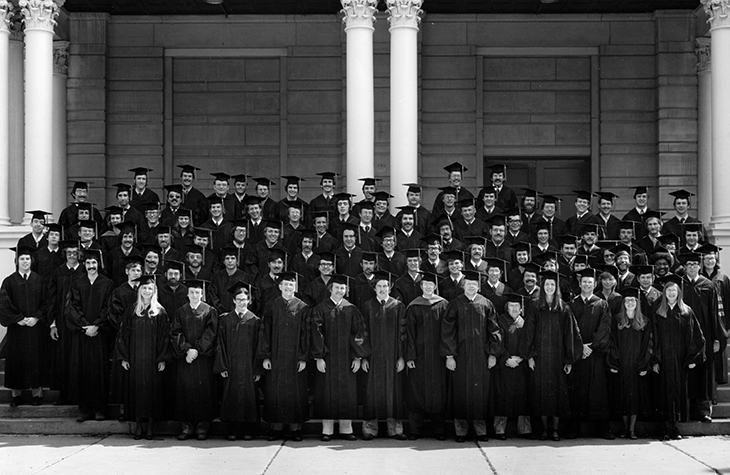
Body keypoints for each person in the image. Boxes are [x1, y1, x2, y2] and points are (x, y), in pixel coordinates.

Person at [441, 270, 502, 442]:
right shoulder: (455, 304)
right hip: (460, 356)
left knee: (480, 393)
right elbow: (447, 331)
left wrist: (493, 354)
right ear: (464, 285)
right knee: (460, 391)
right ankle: (460, 430)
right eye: (468, 284)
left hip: (481, 356)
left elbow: (494, 330)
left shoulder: (486, 304)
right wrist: (449, 355)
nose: (471, 287)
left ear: (479, 286)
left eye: (474, 284)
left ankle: (480, 430)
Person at [310, 274, 368, 441]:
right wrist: (319, 357)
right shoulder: (321, 309)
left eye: (342, 288)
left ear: (346, 290)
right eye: (337, 287)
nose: (339, 290)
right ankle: (327, 430)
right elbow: (316, 333)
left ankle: (346, 429)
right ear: (331, 289)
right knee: (326, 393)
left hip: (346, 359)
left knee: (346, 393)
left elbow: (358, 334)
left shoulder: (351, 309)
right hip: (327, 359)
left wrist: (357, 357)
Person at [525, 270, 582, 441]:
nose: (549, 287)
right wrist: (530, 356)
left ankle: (555, 429)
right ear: (542, 286)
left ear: (556, 287)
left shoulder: (564, 308)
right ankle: (544, 429)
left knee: (557, 394)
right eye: (547, 284)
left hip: (558, 358)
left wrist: (569, 359)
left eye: (552, 284)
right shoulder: (535, 306)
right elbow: (529, 332)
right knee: (542, 394)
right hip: (540, 357)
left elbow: (570, 334)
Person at [257, 272, 310, 442]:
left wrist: (303, 357)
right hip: (276, 358)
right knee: (275, 391)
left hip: (295, 359)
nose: (288, 288)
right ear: (280, 286)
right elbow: (265, 332)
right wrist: (266, 357)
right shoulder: (272, 306)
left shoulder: (303, 307)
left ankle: (295, 429)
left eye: (291, 285)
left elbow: (306, 335)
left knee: (296, 392)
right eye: (285, 285)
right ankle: (276, 428)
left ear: (295, 287)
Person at [651, 275, 705, 440]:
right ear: (664, 293)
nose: (671, 293)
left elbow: (697, 336)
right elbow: (653, 337)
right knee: (663, 393)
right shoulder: (658, 311)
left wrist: (692, 359)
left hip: (680, 360)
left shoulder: (686, 311)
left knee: (678, 392)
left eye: (674, 290)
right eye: (668, 290)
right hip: (663, 359)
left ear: (679, 292)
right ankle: (664, 428)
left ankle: (675, 427)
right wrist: (655, 359)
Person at [116, 275, 170, 440]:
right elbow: (123, 334)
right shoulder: (132, 310)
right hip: (136, 358)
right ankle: (139, 425)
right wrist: (124, 357)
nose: (147, 291)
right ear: (139, 290)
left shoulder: (160, 311)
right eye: (144, 288)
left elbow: (165, 337)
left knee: (152, 391)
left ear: (154, 291)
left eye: (150, 288)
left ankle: (150, 426)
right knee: (137, 390)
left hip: (153, 359)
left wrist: (162, 358)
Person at [66, 249, 115, 421]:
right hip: (83, 333)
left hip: (100, 334)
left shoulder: (107, 283)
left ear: (98, 264)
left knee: (100, 371)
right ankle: (85, 409)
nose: (91, 266)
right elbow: (72, 307)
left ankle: (100, 409)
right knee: (83, 370)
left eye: (94, 263)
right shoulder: (77, 283)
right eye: (88, 263)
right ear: (84, 265)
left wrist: (97, 325)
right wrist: (84, 325)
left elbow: (109, 307)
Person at [679, 252, 726, 422]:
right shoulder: (680, 284)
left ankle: (704, 411)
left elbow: (715, 313)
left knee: (704, 373)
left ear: (699, 266)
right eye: (689, 264)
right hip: (684, 335)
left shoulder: (708, 285)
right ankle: (685, 411)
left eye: (695, 264)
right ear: (685, 267)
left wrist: (716, 338)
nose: (692, 267)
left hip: (705, 335)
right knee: (686, 372)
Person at [566, 267, 614, 439]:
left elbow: (604, 328)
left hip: (595, 354)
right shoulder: (571, 304)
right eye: (584, 282)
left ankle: (602, 429)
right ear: (580, 284)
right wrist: (581, 347)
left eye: (590, 282)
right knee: (576, 390)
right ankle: (574, 428)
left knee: (598, 391)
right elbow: (569, 329)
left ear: (594, 285)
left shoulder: (601, 304)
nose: (587, 285)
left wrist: (591, 346)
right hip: (578, 354)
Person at [361, 271, 408, 441]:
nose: (382, 289)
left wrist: (401, 357)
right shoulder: (367, 306)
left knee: (394, 392)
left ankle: (395, 428)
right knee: (371, 392)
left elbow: (403, 334)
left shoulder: (398, 306)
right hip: (373, 357)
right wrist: (363, 357)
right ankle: (370, 429)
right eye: (379, 286)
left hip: (393, 356)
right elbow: (363, 332)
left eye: (385, 286)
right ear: (374, 288)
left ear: (390, 287)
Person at [0, 246, 49, 407]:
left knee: (36, 359)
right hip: (17, 328)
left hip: (35, 328)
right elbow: (4, 303)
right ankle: (16, 396)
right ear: (17, 261)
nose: (25, 261)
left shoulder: (40, 280)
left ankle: (37, 394)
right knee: (16, 360)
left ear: (31, 261)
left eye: (27, 258)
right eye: (22, 259)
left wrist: (36, 317)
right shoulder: (9, 281)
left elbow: (46, 302)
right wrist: (18, 319)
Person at [171, 279, 219, 440]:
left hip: (203, 358)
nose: (194, 295)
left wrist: (197, 349)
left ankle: (202, 428)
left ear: (202, 293)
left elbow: (211, 333)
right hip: (186, 358)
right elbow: (175, 332)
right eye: (191, 292)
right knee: (185, 391)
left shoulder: (209, 311)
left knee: (203, 392)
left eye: (197, 292)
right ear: (187, 294)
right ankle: (186, 427)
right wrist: (186, 349)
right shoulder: (180, 311)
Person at [214, 282, 262, 441]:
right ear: (234, 300)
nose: (242, 302)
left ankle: (249, 430)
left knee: (249, 396)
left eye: (245, 299)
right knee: (231, 396)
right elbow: (220, 344)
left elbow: (259, 347)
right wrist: (222, 366)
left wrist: (257, 369)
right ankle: (232, 430)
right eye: (239, 299)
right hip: (231, 366)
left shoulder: (255, 320)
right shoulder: (225, 320)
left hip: (249, 367)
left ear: (249, 300)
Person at [404, 272, 448, 440]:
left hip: (438, 357)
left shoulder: (443, 304)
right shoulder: (414, 306)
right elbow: (409, 333)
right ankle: (414, 430)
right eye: (425, 285)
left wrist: (447, 354)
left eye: (431, 285)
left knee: (438, 393)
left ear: (435, 286)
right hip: (420, 357)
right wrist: (410, 356)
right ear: (421, 286)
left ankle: (439, 429)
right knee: (417, 392)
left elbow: (448, 331)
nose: (428, 287)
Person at [607, 286, 653, 439]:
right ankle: (625, 429)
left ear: (637, 302)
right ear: (623, 303)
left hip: (637, 365)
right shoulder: (617, 320)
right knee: (623, 396)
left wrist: (644, 364)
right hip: (622, 365)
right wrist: (613, 362)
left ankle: (632, 430)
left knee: (634, 398)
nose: (630, 303)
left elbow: (648, 345)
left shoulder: (644, 321)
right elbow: (612, 342)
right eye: (627, 301)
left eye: (633, 300)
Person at [47, 240, 85, 404]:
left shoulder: (85, 271)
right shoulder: (57, 272)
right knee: (63, 358)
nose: (72, 256)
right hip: (62, 323)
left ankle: (79, 395)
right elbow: (51, 300)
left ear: (79, 255)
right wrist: (53, 324)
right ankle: (64, 395)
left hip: (79, 322)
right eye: (69, 253)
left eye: (75, 253)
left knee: (79, 358)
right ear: (65, 254)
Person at [493, 293, 533, 440]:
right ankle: (499, 429)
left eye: (517, 306)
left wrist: (521, 358)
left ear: (521, 308)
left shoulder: (525, 322)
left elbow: (530, 341)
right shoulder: (500, 320)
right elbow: (497, 342)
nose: (514, 308)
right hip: (504, 365)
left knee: (523, 397)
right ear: (507, 307)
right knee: (502, 396)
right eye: (511, 306)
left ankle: (525, 429)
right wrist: (506, 358)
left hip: (521, 365)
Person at [699, 243, 730, 386]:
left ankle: (716, 385)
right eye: (706, 258)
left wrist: (727, 325)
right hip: (705, 321)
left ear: (716, 259)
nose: (709, 261)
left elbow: (728, 302)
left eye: (711, 258)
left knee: (719, 356)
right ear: (702, 260)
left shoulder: (723, 278)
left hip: (721, 322)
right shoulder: (700, 278)